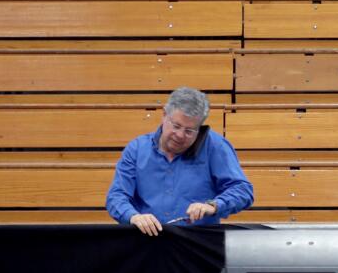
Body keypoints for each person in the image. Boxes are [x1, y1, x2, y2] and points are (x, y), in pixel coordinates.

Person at [106, 86, 254, 236]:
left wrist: (214, 205)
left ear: (199, 127)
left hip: (197, 241)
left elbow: (242, 190)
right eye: (176, 126)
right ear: (164, 115)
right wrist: (133, 216)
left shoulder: (216, 146)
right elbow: (117, 196)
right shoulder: (137, 149)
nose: (180, 135)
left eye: (189, 131)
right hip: (147, 240)